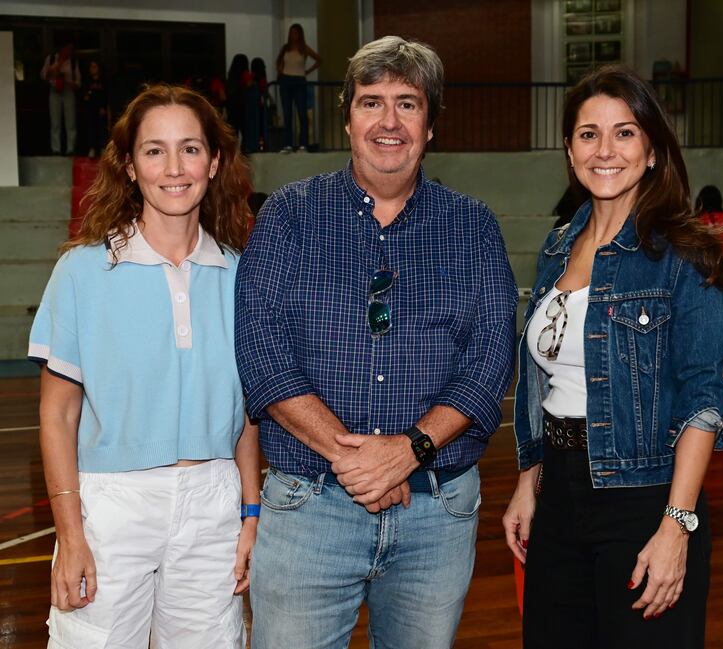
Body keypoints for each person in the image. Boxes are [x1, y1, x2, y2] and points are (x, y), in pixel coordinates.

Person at [236, 35, 517, 649]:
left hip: (436, 516)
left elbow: (493, 357)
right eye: (371, 102)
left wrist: (410, 449)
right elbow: (261, 351)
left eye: (408, 104)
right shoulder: (289, 215)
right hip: (309, 505)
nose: (389, 121)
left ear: (431, 124)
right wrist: (359, 461)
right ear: (347, 118)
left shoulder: (473, 225)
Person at [502, 65, 723, 649]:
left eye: (625, 132)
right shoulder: (559, 247)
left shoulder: (685, 255)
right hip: (557, 495)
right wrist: (529, 479)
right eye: (589, 134)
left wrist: (675, 526)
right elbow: (547, 375)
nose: (605, 150)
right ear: (569, 148)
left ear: (653, 148)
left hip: (645, 500)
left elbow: (704, 398)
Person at [29, 84, 258, 649]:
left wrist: (250, 514)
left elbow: (251, 415)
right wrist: (71, 535)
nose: (173, 168)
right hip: (110, 507)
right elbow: (57, 417)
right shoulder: (82, 271)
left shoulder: (243, 276)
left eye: (190, 148)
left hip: (213, 504)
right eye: (154, 151)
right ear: (129, 167)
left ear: (215, 161)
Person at [275, 23, 321, 152]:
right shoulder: (285, 48)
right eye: (291, 32)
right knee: (287, 113)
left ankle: (303, 144)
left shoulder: (304, 48)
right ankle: (288, 144)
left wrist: (307, 71)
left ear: (300, 34)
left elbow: (319, 60)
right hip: (285, 80)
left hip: (299, 80)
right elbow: (279, 62)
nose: (293, 35)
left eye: (296, 33)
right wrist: (280, 71)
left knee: (301, 112)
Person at [41, 41, 81, 155]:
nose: (69, 51)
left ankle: (70, 149)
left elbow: (78, 82)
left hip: (68, 90)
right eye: (68, 48)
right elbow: (44, 75)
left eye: (71, 49)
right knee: (55, 121)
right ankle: (56, 149)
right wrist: (59, 63)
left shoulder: (73, 62)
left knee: (70, 121)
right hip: (54, 90)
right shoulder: (52, 58)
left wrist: (70, 83)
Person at [82, 60, 109, 158]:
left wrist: (103, 107)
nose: (92, 69)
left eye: (95, 67)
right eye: (91, 67)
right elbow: (85, 95)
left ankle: (102, 148)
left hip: (101, 109)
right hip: (90, 109)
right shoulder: (87, 81)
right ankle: (92, 148)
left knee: (102, 128)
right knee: (91, 128)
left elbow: (106, 95)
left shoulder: (103, 81)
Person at [243, 58, 268, 154]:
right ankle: (261, 146)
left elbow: (248, 86)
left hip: (252, 106)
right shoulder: (262, 78)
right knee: (261, 126)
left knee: (252, 126)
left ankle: (252, 146)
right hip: (260, 105)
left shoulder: (251, 76)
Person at [226, 53, 249, 143]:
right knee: (245, 129)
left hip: (232, 105)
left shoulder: (230, 77)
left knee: (233, 130)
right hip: (242, 105)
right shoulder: (244, 77)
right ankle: (244, 150)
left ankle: (233, 151)